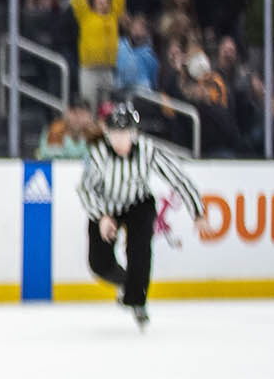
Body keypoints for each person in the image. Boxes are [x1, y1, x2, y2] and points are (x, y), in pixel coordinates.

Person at [78, 104, 201, 329]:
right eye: (115, 134)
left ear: (134, 134)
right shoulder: (99, 154)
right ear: (107, 134)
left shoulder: (147, 150)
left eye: (125, 134)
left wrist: (198, 212)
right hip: (106, 206)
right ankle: (128, 283)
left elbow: (178, 178)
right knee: (99, 263)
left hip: (138, 204)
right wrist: (102, 216)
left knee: (140, 250)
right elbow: (85, 189)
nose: (120, 140)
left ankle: (136, 300)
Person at [72, 0, 126, 110]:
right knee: (89, 108)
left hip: (108, 70)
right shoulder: (85, 16)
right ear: (94, 0)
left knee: (106, 110)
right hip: (89, 70)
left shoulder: (113, 16)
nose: (103, 0)